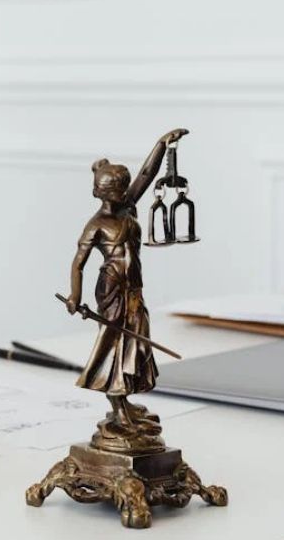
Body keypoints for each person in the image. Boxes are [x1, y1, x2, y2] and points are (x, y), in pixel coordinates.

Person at [65, 128, 187, 452]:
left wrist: (162, 145)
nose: (126, 194)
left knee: (134, 341)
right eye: (120, 191)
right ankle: (117, 405)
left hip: (134, 288)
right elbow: (78, 263)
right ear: (105, 193)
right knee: (117, 344)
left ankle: (125, 402)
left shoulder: (128, 206)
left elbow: (147, 174)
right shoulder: (96, 224)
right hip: (113, 290)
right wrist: (75, 296)